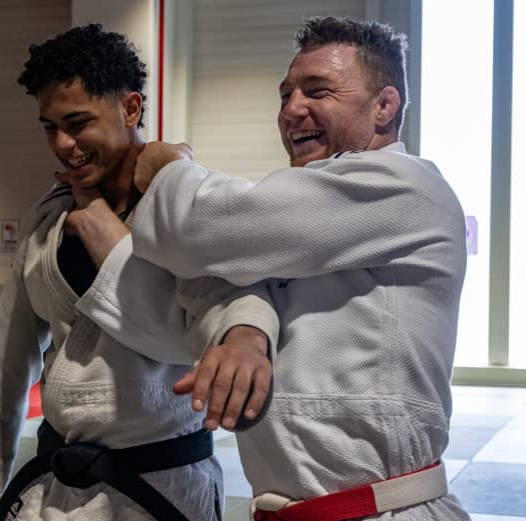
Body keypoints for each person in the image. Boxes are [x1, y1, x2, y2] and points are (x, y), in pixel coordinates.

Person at [86, 16, 472, 521]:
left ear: (384, 106)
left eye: (318, 90)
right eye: (286, 94)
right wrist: (245, 332)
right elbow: (212, 285)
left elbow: (201, 226)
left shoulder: (404, 186)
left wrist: (168, 168)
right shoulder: (300, 216)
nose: (292, 109)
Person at [0, 24, 278, 521]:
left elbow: (193, 332)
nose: (63, 144)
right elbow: (3, 364)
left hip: (163, 486)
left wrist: (103, 229)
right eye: (50, 127)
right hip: (57, 485)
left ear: (130, 108)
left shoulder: (187, 207)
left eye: (78, 122)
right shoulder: (48, 219)